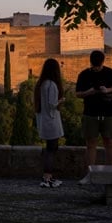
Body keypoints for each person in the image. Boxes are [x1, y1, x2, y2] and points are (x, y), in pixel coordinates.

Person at [75, 50, 112, 173]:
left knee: (109, 144)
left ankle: (109, 174)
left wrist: (107, 90)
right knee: (92, 145)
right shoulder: (84, 74)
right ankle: (91, 174)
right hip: (91, 113)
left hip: (107, 113)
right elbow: (78, 94)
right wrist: (89, 92)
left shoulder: (110, 73)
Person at [35, 58, 65, 188]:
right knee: (51, 150)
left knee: (49, 149)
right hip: (51, 121)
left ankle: (49, 178)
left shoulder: (41, 84)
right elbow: (52, 104)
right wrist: (61, 100)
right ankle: (47, 178)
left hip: (44, 120)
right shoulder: (52, 84)